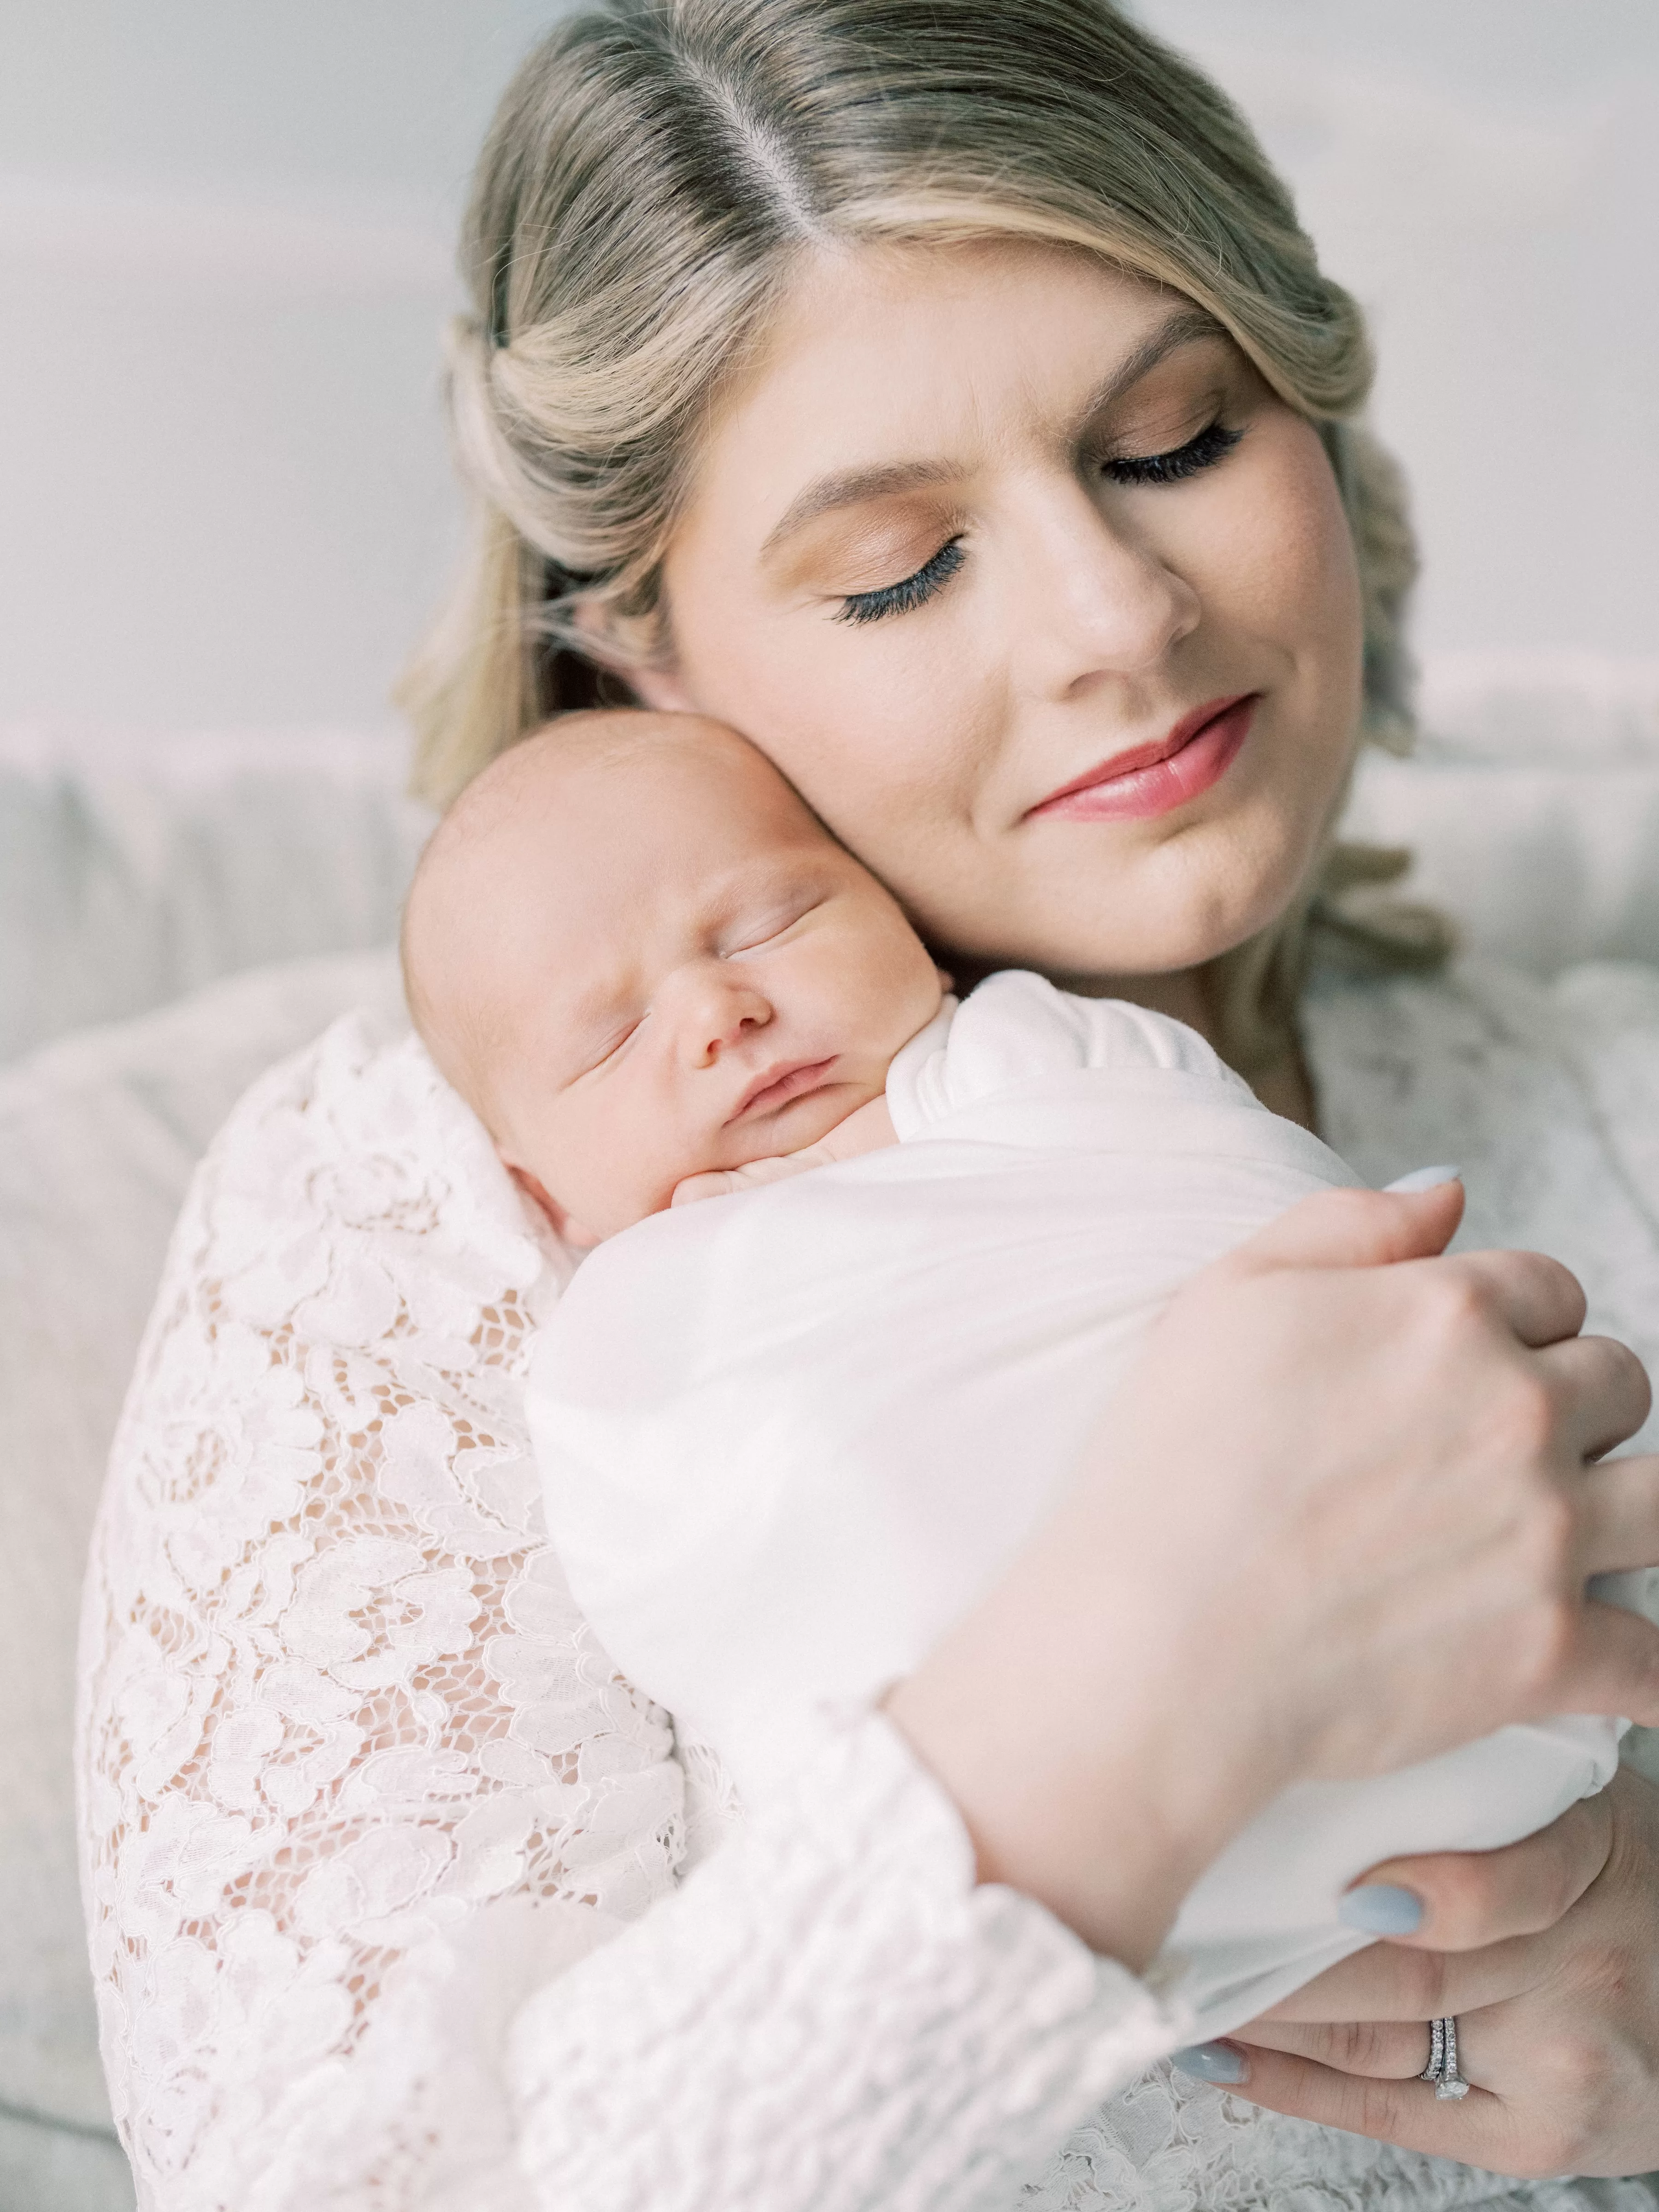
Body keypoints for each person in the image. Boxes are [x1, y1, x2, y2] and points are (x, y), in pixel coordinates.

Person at [75, 3, 1659, 2206]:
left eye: (1175, 438)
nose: (1120, 618)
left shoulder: (1613, 1100)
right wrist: (1123, 1717)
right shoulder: (433, 1222)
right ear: (646, 647)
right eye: (899, 568)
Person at [400, 703, 1647, 2053]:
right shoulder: (629, 1315)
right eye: (607, 1038)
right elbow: (693, 1568)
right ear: (538, 1193)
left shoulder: (1049, 1059)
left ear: (902, 920)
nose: (718, 1009)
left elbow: (1245, 1217)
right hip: (1041, 1841)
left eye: (768, 921)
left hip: (1480, 1669)